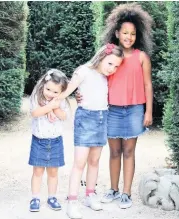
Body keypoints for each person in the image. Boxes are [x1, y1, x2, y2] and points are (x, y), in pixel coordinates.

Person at [76, 3, 154, 209]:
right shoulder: (111, 57)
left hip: (135, 110)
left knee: (129, 152)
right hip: (111, 110)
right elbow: (93, 76)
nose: (129, 37)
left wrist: (148, 111)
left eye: (133, 33)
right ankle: (113, 189)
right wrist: (80, 94)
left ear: (137, 35)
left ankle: (126, 193)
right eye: (125, 33)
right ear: (117, 33)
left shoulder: (142, 57)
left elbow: (147, 84)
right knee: (114, 152)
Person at [58, 44, 124, 219]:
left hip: (102, 118)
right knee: (80, 162)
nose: (113, 69)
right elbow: (65, 92)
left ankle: (90, 194)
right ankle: (72, 201)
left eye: (116, 66)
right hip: (85, 118)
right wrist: (50, 108)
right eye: (110, 64)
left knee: (94, 161)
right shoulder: (83, 71)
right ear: (101, 56)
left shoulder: (106, 77)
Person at [28, 69, 69, 212]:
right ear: (43, 85)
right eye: (48, 89)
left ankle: (52, 197)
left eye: (55, 92)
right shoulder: (37, 96)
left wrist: (55, 108)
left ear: (62, 92)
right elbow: (34, 113)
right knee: (37, 171)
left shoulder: (61, 101)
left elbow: (64, 116)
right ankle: (35, 198)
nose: (50, 93)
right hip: (39, 140)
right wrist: (49, 107)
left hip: (55, 141)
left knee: (53, 172)